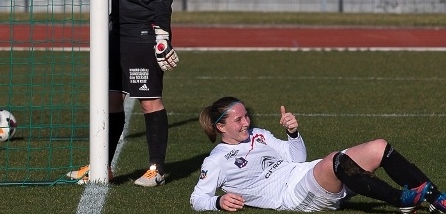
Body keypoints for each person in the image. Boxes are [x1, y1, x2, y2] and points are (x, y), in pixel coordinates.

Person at [67, 0, 179, 187]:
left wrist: (162, 35)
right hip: (117, 35)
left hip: (142, 37)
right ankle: (102, 165)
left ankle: (156, 169)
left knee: (149, 101)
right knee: (111, 99)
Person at [190, 96, 446, 213]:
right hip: (294, 196)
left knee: (380, 147)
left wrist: (292, 133)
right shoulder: (216, 161)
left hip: (307, 173)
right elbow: (197, 198)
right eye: (238, 119)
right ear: (221, 127)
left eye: (246, 115)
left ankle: (437, 199)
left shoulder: (260, 134)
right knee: (336, 160)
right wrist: (217, 202)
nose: (246, 122)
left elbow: (297, 158)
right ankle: (400, 200)